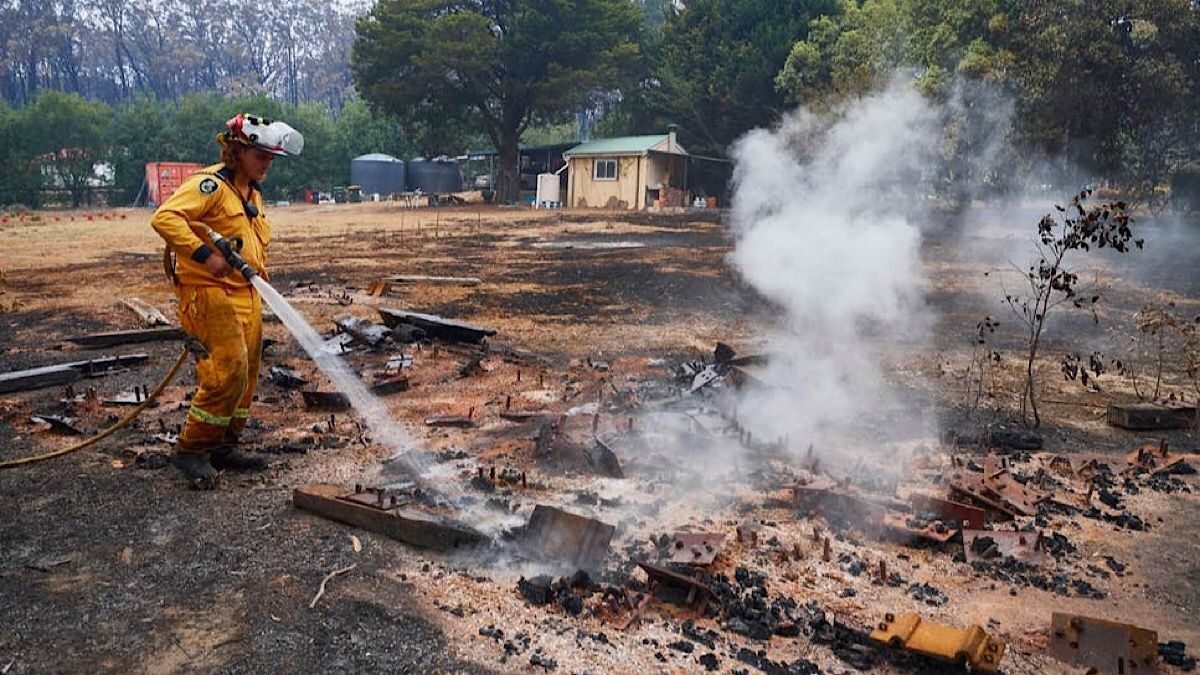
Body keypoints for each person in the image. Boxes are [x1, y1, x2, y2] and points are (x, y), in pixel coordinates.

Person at [151, 113, 303, 489]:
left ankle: (224, 447)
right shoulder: (210, 185)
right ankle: (192, 451)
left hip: (246, 293)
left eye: (270, 158)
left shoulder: (253, 192)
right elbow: (165, 217)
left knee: (247, 375)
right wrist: (206, 257)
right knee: (226, 372)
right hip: (209, 292)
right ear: (237, 151)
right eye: (261, 157)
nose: (267, 164)